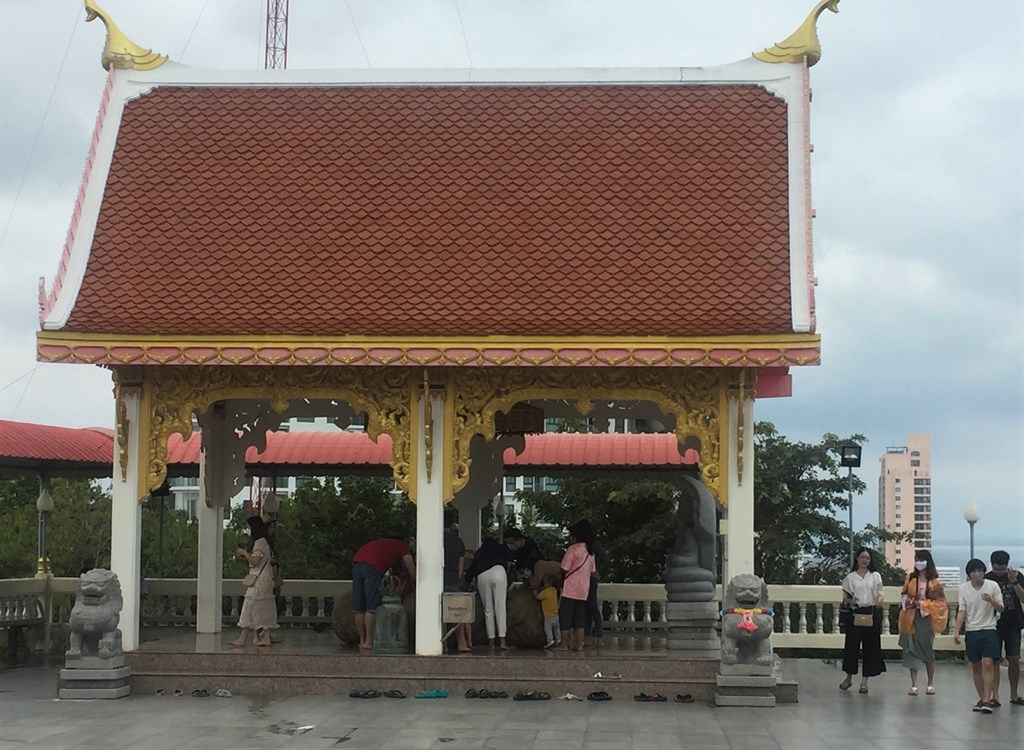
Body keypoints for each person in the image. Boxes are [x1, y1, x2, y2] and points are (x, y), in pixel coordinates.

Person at [954, 558, 1005, 712]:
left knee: (988, 664)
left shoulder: (992, 586)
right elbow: (962, 611)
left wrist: (991, 601)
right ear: (969, 574)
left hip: (989, 629)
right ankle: (982, 697)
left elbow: (1001, 608)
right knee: (976, 666)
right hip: (972, 631)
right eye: (974, 571)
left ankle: (988, 700)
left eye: (980, 570)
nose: (977, 573)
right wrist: (957, 630)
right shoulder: (964, 588)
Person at [898, 549, 948, 695]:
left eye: (921, 560)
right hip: (911, 618)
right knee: (911, 650)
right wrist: (909, 601)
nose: (919, 563)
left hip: (926, 619)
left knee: (927, 650)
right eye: (917, 559)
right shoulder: (910, 578)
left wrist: (923, 604)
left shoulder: (935, 583)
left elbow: (940, 603)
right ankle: (913, 684)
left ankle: (930, 682)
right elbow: (903, 595)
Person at [351, 537, 415, 651]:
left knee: (359, 607)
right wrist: (415, 577)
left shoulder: (384, 545)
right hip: (373, 566)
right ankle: (369, 641)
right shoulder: (401, 545)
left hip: (357, 562)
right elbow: (408, 560)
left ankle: (361, 641)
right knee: (371, 605)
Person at [839, 547, 885, 693]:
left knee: (870, 648)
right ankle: (849, 677)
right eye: (862, 557)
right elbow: (845, 596)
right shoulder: (850, 578)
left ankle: (864, 681)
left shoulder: (875, 576)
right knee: (852, 647)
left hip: (871, 612)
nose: (865, 560)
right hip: (856, 613)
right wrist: (849, 600)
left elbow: (880, 592)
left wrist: (879, 600)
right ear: (857, 559)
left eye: (867, 558)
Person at [229, 516, 278, 647]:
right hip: (264, 577)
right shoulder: (264, 542)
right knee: (262, 607)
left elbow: (255, 561)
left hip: (259, 579)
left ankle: (244, 638)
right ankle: (262, 636)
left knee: (250, 605)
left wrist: (245, 553)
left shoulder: (259, 543)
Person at [986, 550, 1024, 706]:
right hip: (993, 624)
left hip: (1014, 622)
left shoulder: (1016, 575)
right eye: (996, 569)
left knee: (1014, 658)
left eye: (1002, 569)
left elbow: (1023, 598)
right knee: (994, 660)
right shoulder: (987, 578)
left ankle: (1014, 694)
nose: (999, 572)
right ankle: (995, 696)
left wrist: (1014, 581)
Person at [464, 537, 516, 650]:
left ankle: (491, 642)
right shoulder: (501, 548)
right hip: (499, 572)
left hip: (482, 575)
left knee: (488, 610)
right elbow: (510, 560)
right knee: (500, 608)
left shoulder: (479, 552)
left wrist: (465, 582)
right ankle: (502, 642)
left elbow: (470, 573)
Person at [554, 519, 595, 652]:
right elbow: (592, 571)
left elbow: (564, 568)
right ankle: (579, 644)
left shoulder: (573, 549)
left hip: (570, 589)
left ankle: (564, 644)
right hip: (584, 589)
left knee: (565, 616)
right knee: (580, 618)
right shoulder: (590, 552)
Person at [443, 517, 471, 653]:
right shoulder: (458, 542)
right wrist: (459, 579)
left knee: (439, 614)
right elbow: (461, 563)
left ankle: (443, 644)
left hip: (438, 579)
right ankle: (462, 643)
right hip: (453, 579)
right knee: (456, 612)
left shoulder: (435, 539)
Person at [585, 535, 611, 648]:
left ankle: (598, 636)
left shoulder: (593, 544)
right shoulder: (586, 545)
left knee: (592, 606)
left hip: (590, 578)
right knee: (587, 608)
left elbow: (607, 561)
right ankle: (588, 636)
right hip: (585, 578)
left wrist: (599, 574)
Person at [535, 572, 560, 648]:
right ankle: (558, 639)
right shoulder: (554, 591)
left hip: (548, 616)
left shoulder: (545, 592)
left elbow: (538, 597)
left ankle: (550, 640)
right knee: (556, 628)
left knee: (548, 630)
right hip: (556, 615)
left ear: (549, 584)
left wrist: (535, 592)